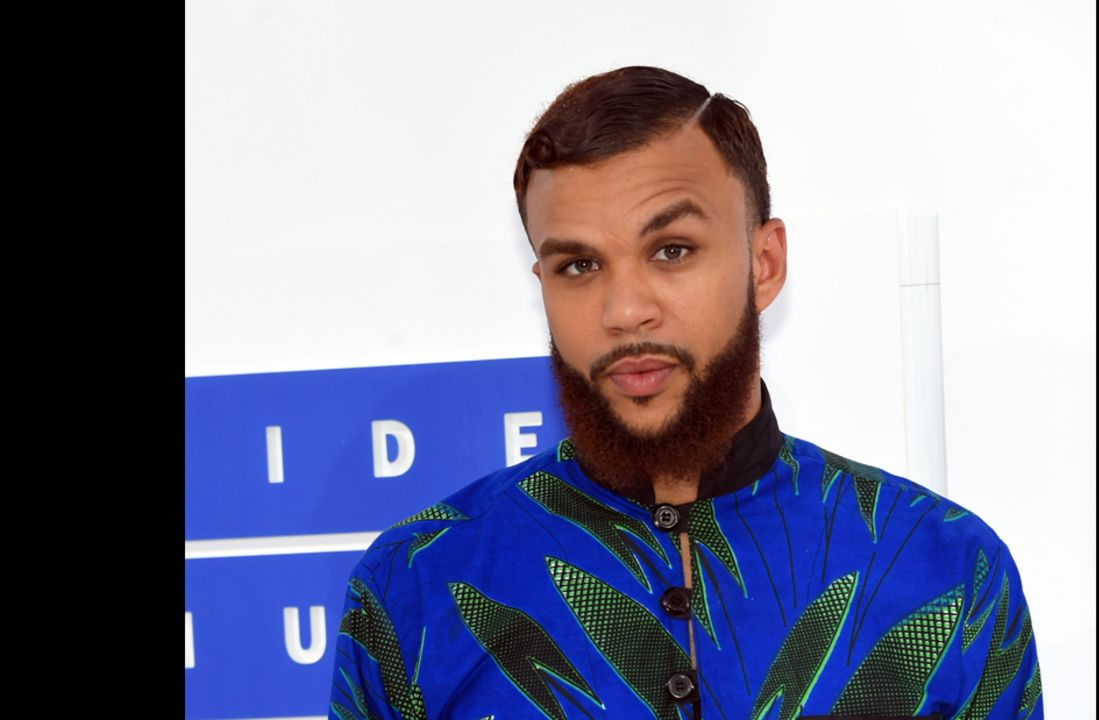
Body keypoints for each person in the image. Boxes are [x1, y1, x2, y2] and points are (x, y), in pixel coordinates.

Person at [329, 65, 1043, 720]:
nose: (625, 309)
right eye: (579, 265)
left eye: (671, 251)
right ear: (542, 286)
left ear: (764, 264)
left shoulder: (946, 569)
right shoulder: (418, 586)